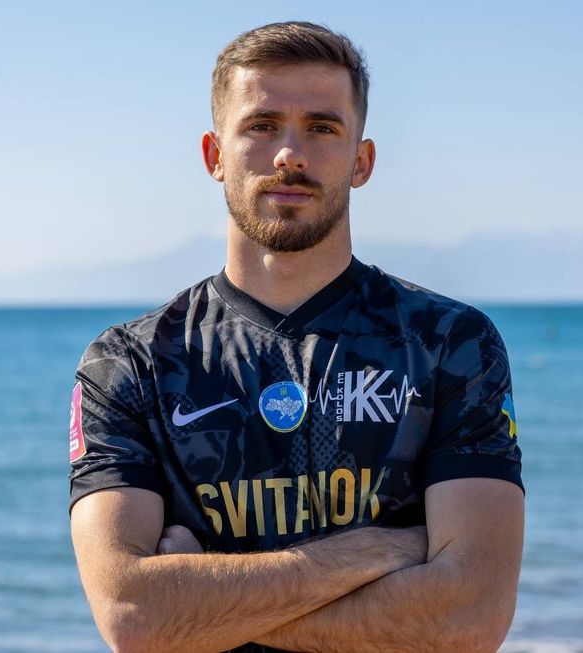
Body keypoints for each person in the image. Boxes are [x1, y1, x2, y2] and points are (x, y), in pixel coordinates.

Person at [68, 21, 524, 653]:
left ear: (362, 161)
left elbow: (470, 618)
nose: (290, 154)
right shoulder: (130, 363)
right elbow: (132, 616)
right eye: (261, 126)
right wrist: (381, 549)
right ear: (214, 156)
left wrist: (199, 605)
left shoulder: (450, 342)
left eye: (322, 127)